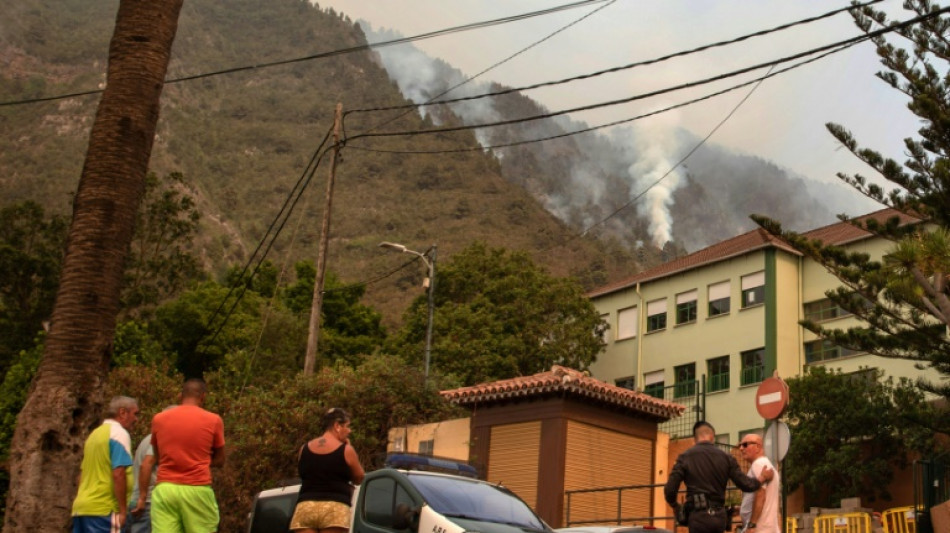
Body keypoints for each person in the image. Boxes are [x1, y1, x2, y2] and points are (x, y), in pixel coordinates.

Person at [664, 421, 773, 533]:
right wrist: (762, 478)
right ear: (712, 437)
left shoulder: (684, 457)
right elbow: (746, 485)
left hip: (697, 518)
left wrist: (675, 507)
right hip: (719, 518)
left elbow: (669, 490)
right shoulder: (727, 458)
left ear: (694, 439)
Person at [150, 378, 226, 532]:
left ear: (180, 396)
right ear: (203, 397)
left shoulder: (158, 419)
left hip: (165, 488)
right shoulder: (213, 420)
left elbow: (158, 457)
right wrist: (201, 460)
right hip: (197, 488)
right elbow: (220, 459)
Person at [289, 407, 365, 533]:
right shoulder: (346, 450)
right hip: (334, 508)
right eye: (347, 426)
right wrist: (349, 448)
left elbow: (303, 473)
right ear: (337, 426)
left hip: (305, 507)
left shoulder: (304, 449)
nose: (349, 431)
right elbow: (359, 477)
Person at [71, 396, 140, 533]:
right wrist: (122, 511)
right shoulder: (118, 434)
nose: (136, 419)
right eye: (135, 414)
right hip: (104, 509)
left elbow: (81, 475)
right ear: (123, 413)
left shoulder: (94, 435)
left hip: (82, 508)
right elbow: (118, 473)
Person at [738, 433, 780, 533]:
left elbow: (761, 494)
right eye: (740, 445)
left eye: (745, 445)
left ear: (757, 447)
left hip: (759, 528)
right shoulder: (765, 464)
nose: (740, 448)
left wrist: (752, 524)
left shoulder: (759, 464)